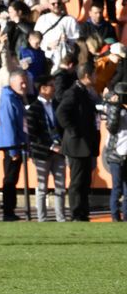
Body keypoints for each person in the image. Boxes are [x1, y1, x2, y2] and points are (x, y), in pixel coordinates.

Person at [56, 62, 101, 222]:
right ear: (87, 76)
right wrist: (74, 131)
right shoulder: (73, 92)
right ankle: (76, 213)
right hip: (77, 145)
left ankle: (83, 212)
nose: (96, 77)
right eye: (94, 74)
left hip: (85, 145)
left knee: (85, 181)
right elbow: (61, 113)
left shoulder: (86, 92)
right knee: (77, 181)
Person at [26, 75, 66, 222]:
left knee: (60, 187)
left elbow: (62, 127)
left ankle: (61, 218)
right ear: (43, 88)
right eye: (51, 85)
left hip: (59, 152)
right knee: (42, 187)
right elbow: (33, 134)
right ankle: (42, 218)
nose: (54, 88)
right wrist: (51, 146)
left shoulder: (57, 105)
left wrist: (61, 145)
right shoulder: (33, 109)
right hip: (42, 153)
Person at [0, 70, 28, 222]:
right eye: (21, 82)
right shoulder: (9, 98)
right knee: (9, 177)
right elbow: (8, 124)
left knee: (12, 178)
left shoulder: (15, 97)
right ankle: (8, 211)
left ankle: (10, 209)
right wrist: (13, 149)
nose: (24, 85)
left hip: (15, 143)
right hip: (11, 145)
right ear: (12, 82)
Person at [104, 83, 127, 222]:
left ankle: (125, 217)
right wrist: (114, 106)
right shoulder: (113, 109)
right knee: (117, 188)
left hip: (124, 154)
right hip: (116, 155)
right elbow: (111, 127)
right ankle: (115, 217)